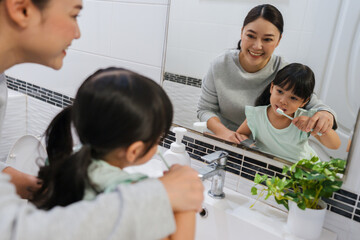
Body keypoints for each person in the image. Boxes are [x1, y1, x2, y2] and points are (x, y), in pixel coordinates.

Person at [0, 0, 204, 239]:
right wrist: (180, 201)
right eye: (74, 15)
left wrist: (48, 188)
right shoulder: (128, 185)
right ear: (21, 8)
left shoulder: (68, 166)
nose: (78, 33)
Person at [32, 67, 196, 240]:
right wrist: (187, 200)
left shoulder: (65, 161)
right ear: (134, 151)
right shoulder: (134, 191)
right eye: (157, 140)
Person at [197, 4, 337, 144]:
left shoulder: (283, 71)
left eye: (267, 39)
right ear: (242, 33)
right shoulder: (220, 65)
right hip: (223, 140)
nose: (257, 46)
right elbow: (205, 109)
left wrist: (326, 115)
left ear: (278, 40)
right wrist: (225, 133)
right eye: (251, 36)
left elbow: (316, 106)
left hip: (259, 148)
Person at [235, 63, 341, 162]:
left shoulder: (306, 119)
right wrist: (252, 147)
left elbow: (335, 145)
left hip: (301, 169)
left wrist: (314, 125)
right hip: (268, 167)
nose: (283, 101)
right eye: (280, 91)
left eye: (293, 98)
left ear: (304, 102)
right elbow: (240, 134)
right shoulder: (256, 115)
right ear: (272, 88)